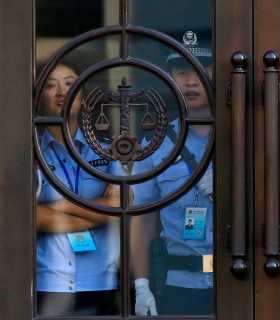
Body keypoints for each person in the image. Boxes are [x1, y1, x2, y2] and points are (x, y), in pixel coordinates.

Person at [131, 31, 214, 316]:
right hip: (176, 284)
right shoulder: (156, 143)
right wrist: (141, 285)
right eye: (181, 71)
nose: (190, 81)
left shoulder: (241, 140)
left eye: (200, 71)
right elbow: (143, 219)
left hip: (236, 280)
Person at [36, 63, 122, 315]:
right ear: (39, 99)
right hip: (49, 283)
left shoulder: (107, 153)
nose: (61, 91)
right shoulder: (33, 153)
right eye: (51, 85)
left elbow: (119, 208)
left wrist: (59, 207)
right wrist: (95, 211)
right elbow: (29, 218)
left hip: (101, 283)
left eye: (69, 82)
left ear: (82, 97)